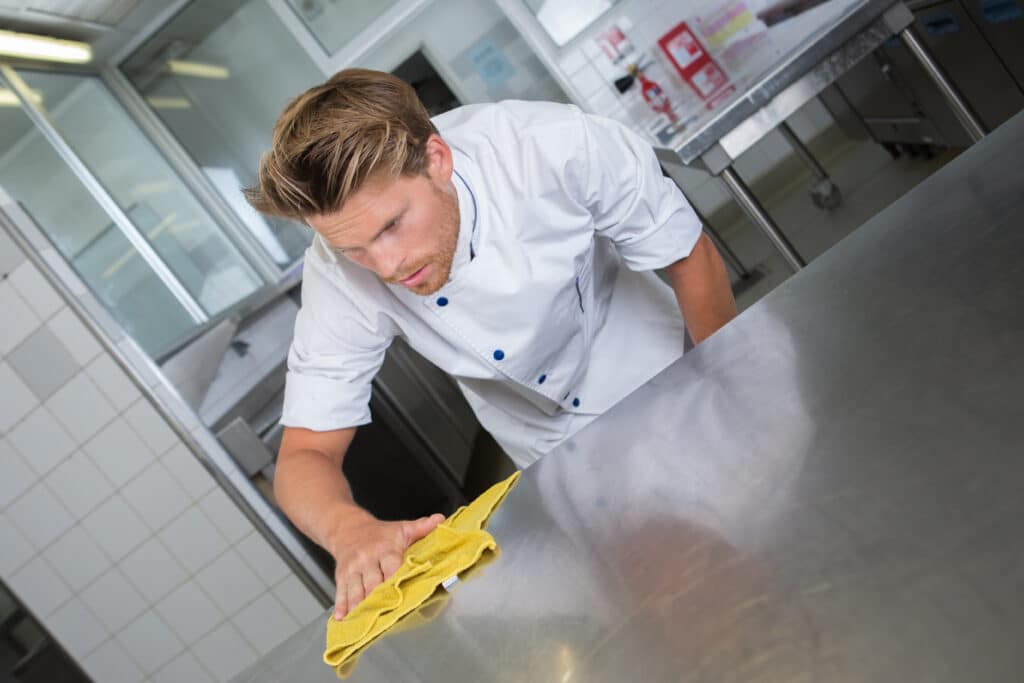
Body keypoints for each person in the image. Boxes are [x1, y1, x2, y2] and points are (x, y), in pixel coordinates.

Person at [245, 68, 736, 620]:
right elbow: (305, 454)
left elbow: (687, 256)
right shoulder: (336, 272)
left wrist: (727, 380)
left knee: (740, 545)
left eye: (391, 227)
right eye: (354, 248)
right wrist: (350, 532)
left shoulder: (549, 147)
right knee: (648, 606)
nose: (384, 266)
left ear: (437, 159)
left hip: (655, 367)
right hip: (553, 449)